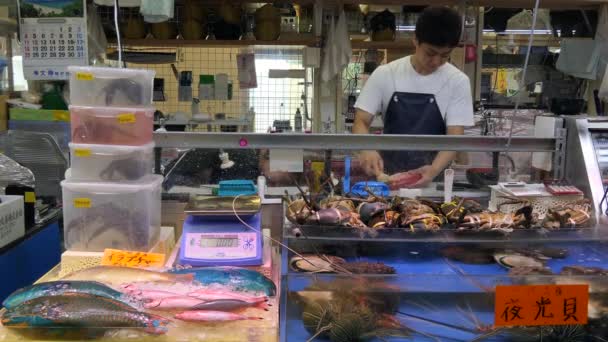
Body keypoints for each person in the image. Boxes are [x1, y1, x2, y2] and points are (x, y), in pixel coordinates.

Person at [353, 6, 474, 188]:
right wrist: (367, 148)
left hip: (433, 184)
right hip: (389, 180)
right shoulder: (386, 73)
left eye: (444, 56)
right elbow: (361, 121)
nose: (436, 62)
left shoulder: (458, 81)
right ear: (415, 40)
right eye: (430, 53)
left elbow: (454, 138)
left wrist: (432, 171)